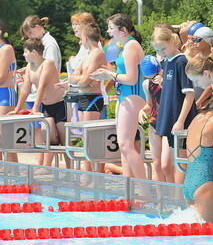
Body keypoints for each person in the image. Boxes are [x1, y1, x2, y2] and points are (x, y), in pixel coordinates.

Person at [91, 13, 146, 179]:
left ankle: (144, 190)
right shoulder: (126, 46)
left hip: (133, 96)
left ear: (122, 30)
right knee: (124, 146)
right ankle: (128, 188)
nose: (108, 31)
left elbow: (131, 78)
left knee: (126, 145)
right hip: (126, 96)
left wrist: (108, 73)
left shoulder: (131, 46)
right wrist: (107, 75)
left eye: (111, 28)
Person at [9, 39, 66, 165]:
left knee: (64, 139)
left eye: (25, 52)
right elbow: (26, 89)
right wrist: (17, 109)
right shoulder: (29, 67)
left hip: (60, 105)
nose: (23, 55)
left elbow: (42, 86)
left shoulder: (48, 64)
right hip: (46, 107)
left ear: (33, 52)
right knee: (50, 139)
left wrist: (35, 108)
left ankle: (71, 170)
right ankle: (48, 167)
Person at [151, 27, 197, 183]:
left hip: (180, 119)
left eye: (163, 48)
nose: (161, 52)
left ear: (172, 41)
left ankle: (180, 200)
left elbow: (189, 94)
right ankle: (172, 198)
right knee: (165, 166)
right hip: (168, 117)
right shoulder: (166, 62)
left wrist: (181, 121)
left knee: (181, 163)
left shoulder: (181, 61)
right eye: (158, 50)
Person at [184, 93, 213, 222]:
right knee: (205, 234)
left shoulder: (196, 118)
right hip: (204, 184)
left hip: (188, 183)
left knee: (191, 232)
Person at [65, 23, 107, 172]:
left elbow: (82, 80)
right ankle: (88, 172)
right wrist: (80, 79)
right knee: (85, 137)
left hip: (93, 98)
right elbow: (74, 77)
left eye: (81, 36)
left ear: (86, 37)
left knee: (91, 138)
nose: (79, 40)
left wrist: (79, 79)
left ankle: (93, 173)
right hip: (84, 97)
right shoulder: (88, 55)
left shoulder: (97, 54)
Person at [138, 55, 164, 181]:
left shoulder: (168, 80)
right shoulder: (146, 84)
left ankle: (174, 196)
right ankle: (160, 199)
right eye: (148, 78)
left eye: (153, 77)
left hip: (168, 123)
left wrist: (164, 84)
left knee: (167, 165)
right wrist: (142, 111)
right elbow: (149, 104)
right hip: (154, 123)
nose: (152, 80)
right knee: (157, 164)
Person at [0, 20, 18, 162]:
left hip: (5, 93)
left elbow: (2, 77)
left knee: (5, 135)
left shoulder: (6, 49)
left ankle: (15, 170)